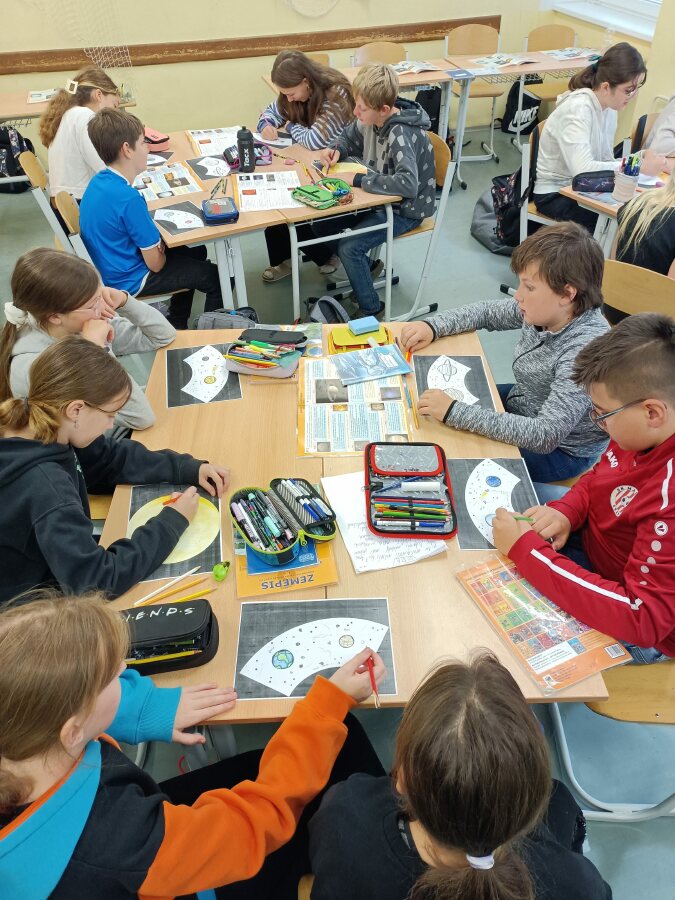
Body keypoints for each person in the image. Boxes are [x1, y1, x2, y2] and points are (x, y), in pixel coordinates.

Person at [0, 593, 386, 899]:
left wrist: (144, 708)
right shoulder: (117, 841)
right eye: (112, 677)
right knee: (344, 751)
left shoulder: (25, 742)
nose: (125, 671)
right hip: (189, 878)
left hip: (139, 835)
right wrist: (327, 705)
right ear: (72, 731)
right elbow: (253, 825)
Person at [309, 652, 612, 900]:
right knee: (561, 800)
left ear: (402, 778)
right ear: (530, 805)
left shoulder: (345, 815)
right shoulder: (575, 885)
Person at [492, 313, 675, 664]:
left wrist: (528, 552)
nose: (597, 423)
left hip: (636, 621)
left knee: (501, 634)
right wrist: (567, 511)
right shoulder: (643, 431)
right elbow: (599, 477)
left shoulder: (668, 497)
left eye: (602, 414)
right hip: (596, 547)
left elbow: (642, 619)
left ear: (653, 412)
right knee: (505, 513)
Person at [0, 336, 229, 605]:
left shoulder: (42, 420)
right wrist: (172, 521)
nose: (111, 425)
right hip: (31, 606)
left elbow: (108, 459)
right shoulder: (48, 490)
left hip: (56, 565)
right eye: (110, 415)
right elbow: (96, 582)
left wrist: (186, 467)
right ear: (76, 409)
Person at [401, 223, 609, 483]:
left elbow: (545, 435)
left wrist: (454, 412)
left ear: (567, 293)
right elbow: (486, 312)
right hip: (525, 401)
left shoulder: (584, 350)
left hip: (560, 452)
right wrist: (433, 326)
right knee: (429, 412)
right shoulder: (547, 310)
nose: (518, 296)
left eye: (529, 287)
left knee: (451, 453)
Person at [1, 248, 175, 436]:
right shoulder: (34, 365)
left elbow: (162, 336)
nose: (103, 306)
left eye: (100, 295)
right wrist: (95, 351)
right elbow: (140, 417)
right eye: (93, 304)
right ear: (55, 317)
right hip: (83, 445)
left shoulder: (79, 324)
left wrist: (125, 301)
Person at [80, 109, 223, 330]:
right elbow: (156, 264)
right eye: (143, 142)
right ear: (127, 149)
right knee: (216, 277)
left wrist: (158, 246)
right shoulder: (129, 199)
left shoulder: (98, 182)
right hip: (132, 279)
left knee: (197, 251)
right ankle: (211, 337)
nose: (147, 148)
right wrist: (159, 248)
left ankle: (177, 321)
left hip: (110, 268)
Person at [315, 63, 436, 319]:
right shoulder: (371, 118)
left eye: (362, 108)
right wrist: (336, 149)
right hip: (381, 200)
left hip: (406, 210)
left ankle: (371, 307)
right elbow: (348, 138)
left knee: (350, 248)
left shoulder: (400, 133)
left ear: (383, 109)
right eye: (356, 104)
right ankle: (367, 268)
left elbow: (408, 184)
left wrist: (359, 179)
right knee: (320, 225)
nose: (355, 112)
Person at [533, 43, 666, 230]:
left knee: (643, 209)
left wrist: (637, 159)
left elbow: (604, 161)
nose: (633, 96)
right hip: (555, 194)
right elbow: (583, 171)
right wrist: (635, 167)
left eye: (637, 88)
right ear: (605, 87)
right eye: (628, 90)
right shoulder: (578, 109)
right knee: (628, 221)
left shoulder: (608, 108)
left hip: (582, 188)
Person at [257, 50, 355, 283]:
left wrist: (290, 125)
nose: (289, 99)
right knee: (276, 198)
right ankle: (286, 260)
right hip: (308, 159)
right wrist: (265, 124)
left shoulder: (336, 92)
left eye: (291, 93)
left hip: (338, 162)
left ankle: (327, 255)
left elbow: (315, 141)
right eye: (284, 94)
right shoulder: (294, 93)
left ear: (305, 82)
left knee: (297, 205)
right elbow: (271, 112)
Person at [39, 67, 120, 201]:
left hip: (66, 200)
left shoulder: (69, 113)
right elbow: (103, 169)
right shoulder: (84, 116)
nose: (116, 112)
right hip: (79, 201)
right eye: (115, 105)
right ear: (99, 95)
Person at [613, 165, 675, 279]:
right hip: (654, 290)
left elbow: (614, 261)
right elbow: (670, 287)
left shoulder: (638, 202)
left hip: (616, 285)